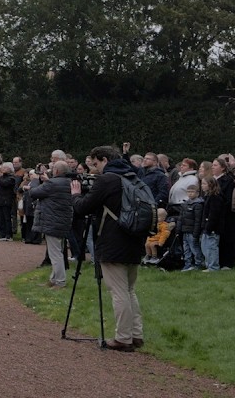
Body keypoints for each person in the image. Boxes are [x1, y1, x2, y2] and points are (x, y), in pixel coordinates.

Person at [70, 145, 145, 352]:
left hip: (113, 241)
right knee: (130, 290)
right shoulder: (133, 176)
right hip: (135, 239)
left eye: (95, 163)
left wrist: (75, 195)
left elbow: (83, 207)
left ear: (103, 159)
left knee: (119, 291)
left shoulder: (108, 179)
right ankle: (136, 334)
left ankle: (123, 338)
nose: (94, 168)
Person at [29, 161, 74, 289]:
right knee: (57, 251)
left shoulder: (52, 183)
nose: (51, 170)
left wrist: (35, 180)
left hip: (52, 221)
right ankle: (54, 279)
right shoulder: (67, 182)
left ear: (57, 171)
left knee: (55, 254)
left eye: (53, 168)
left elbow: (33, 193)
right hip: (62, 220)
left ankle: (60, 281)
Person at [177, 184, 205, 271]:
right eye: (188, 192)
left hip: (193, 231)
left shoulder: (198, 204)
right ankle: (187, 264)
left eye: (192, 192)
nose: (190, 194)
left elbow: (198, 220)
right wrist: (178, 228)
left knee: (194, 248)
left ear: (197, 193)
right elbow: (180, 218)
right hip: (185, 230)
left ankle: (198, 263)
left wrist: (196, 232)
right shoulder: (184, 204)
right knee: (186, 249)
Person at [0, 163, 18, 241]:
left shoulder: (11, 178)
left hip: (7, 200)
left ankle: (9, 235)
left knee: (7, 218)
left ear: (9, 169)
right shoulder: (2, 177)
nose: (3, 169)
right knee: (0, 218)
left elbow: (3, 183)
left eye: (5, 168)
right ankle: (2, 234)